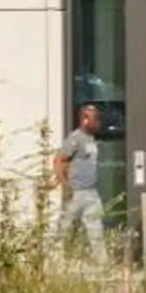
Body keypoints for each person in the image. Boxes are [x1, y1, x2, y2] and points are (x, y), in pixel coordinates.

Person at [54, 102, 107, 255]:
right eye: (95, 118)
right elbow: (59, 160)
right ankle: (55, 260)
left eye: (98, 118)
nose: (98, 122)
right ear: (84, 119)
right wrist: (65, 185)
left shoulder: (91, 139)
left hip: (91, 192)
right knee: (65, 228)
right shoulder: (75, 138)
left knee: (96, 229)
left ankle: (102, 265)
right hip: (76, 192)